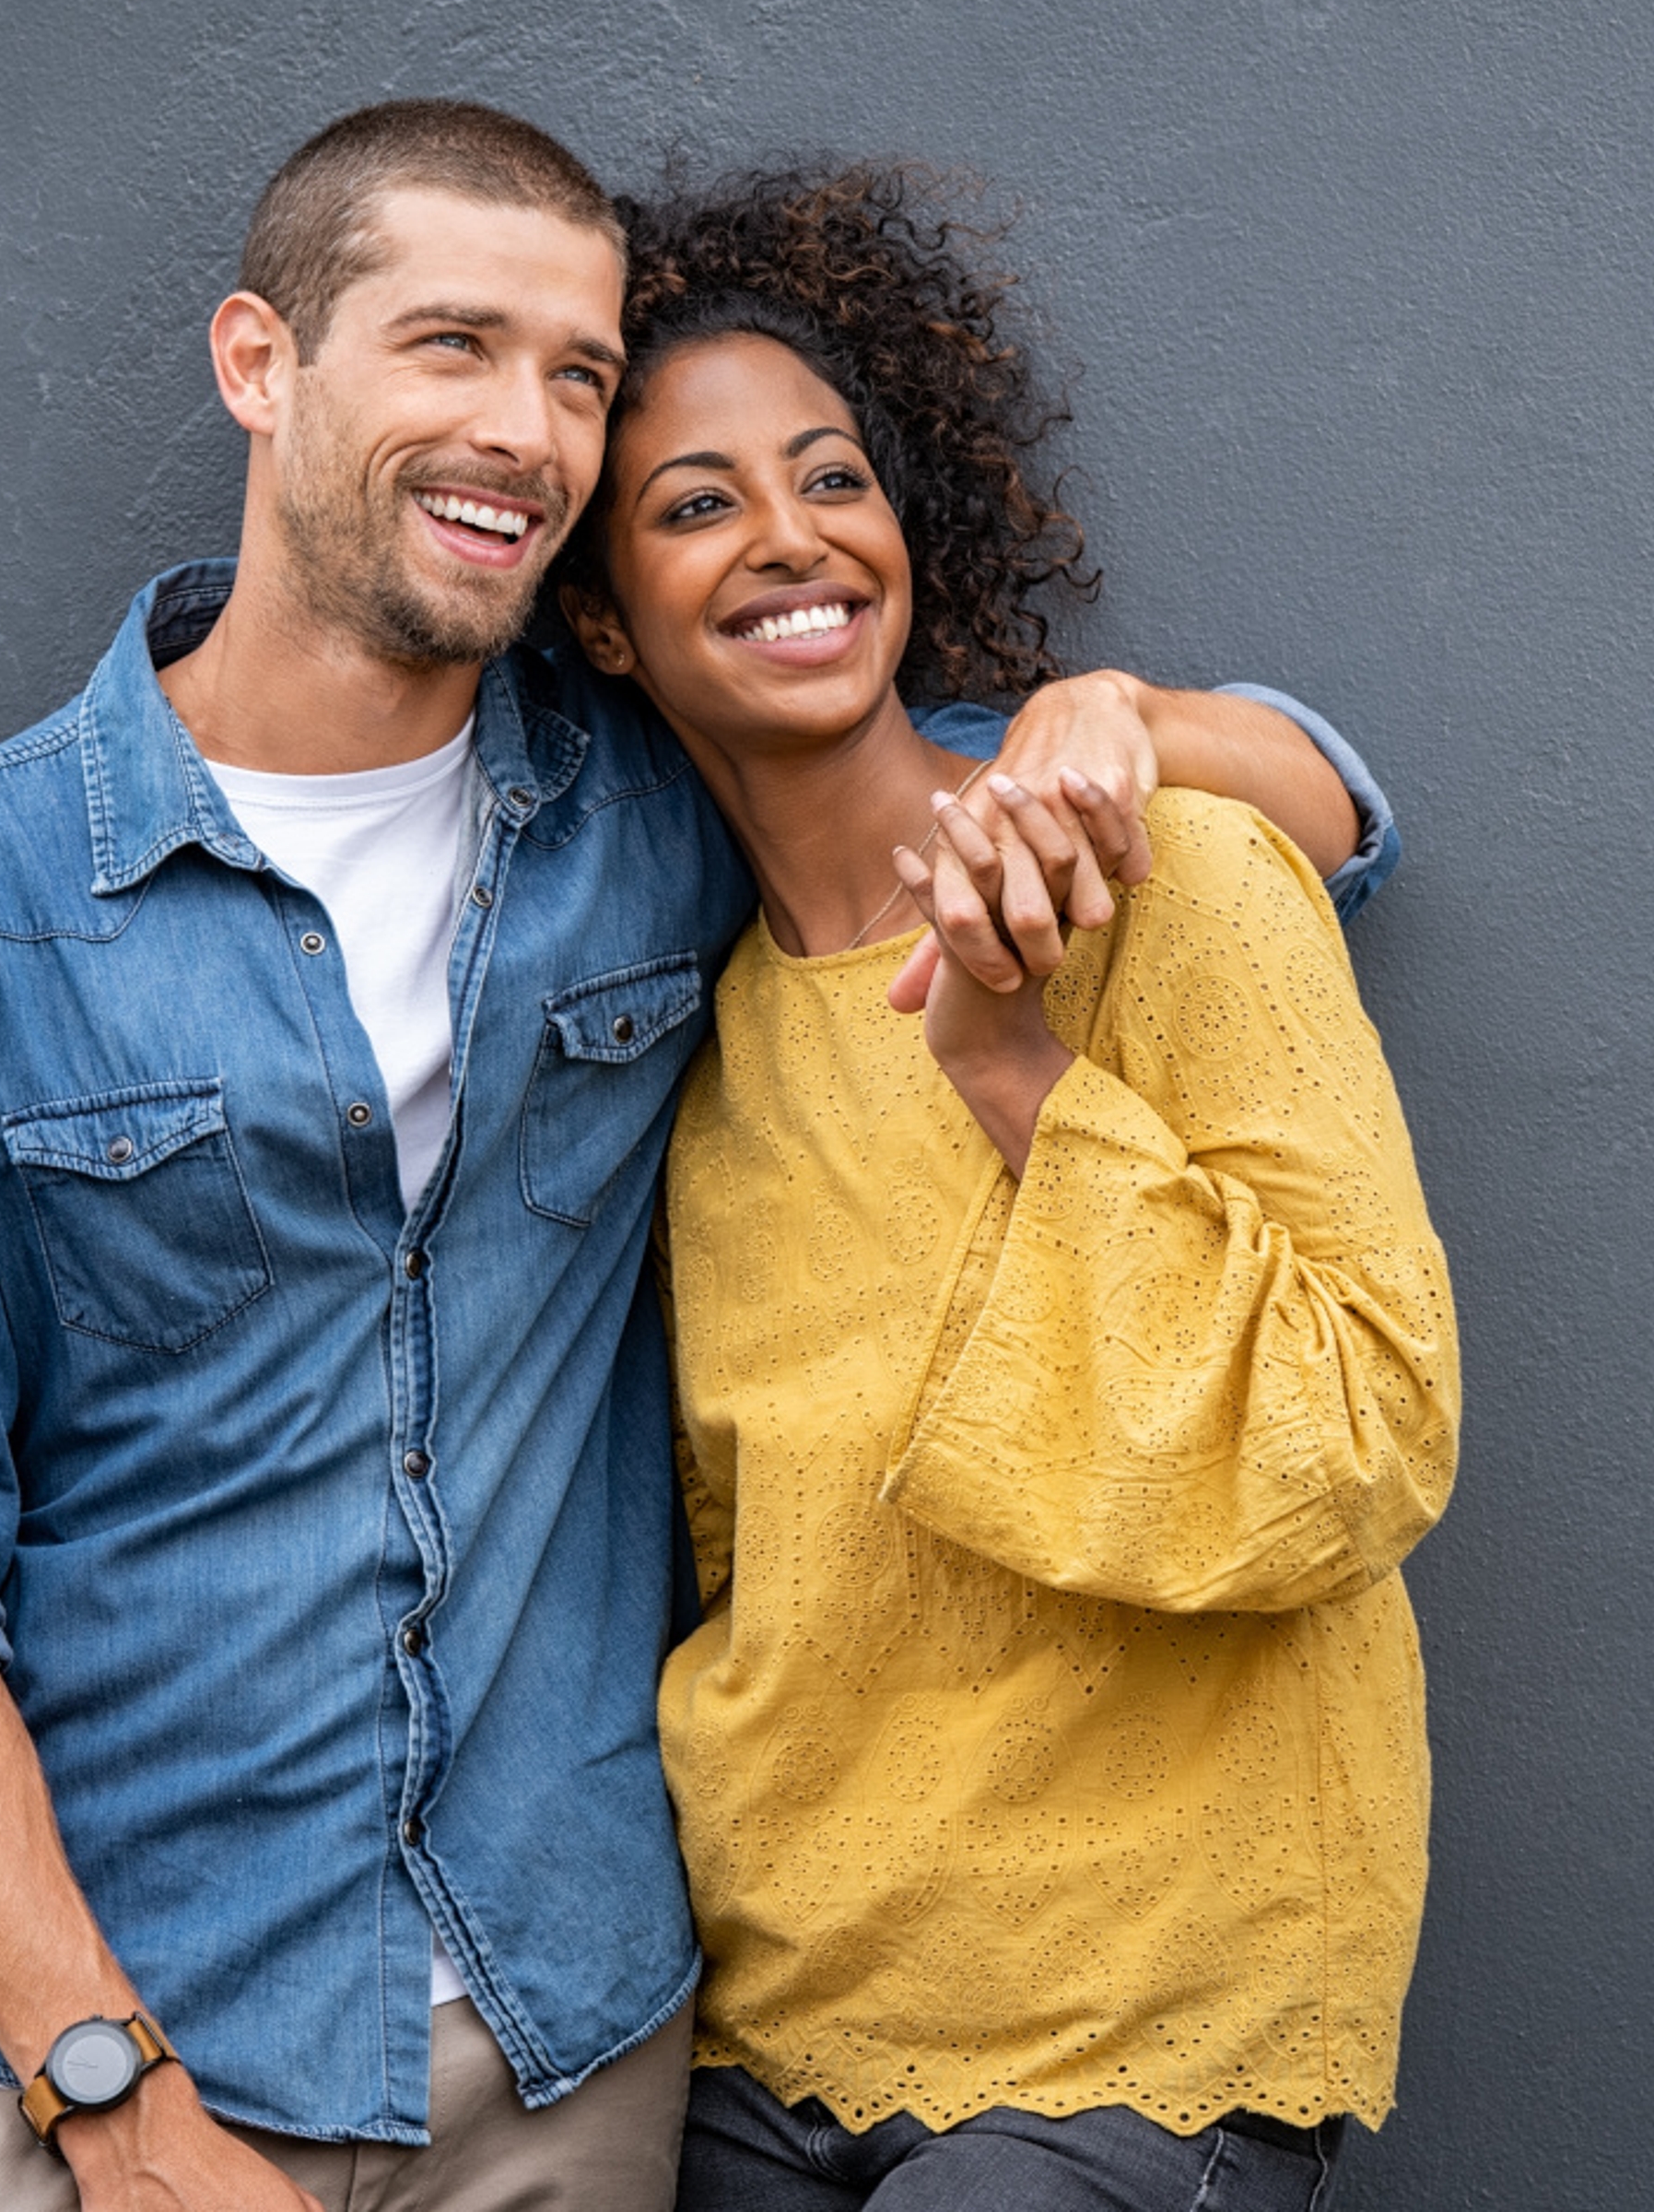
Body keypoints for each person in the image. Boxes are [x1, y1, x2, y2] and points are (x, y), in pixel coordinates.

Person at [0, 100, 1402, 2212]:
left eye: (578, 375)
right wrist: (111, 2098)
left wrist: (1128, 715)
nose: (524, 429)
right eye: (451, 346)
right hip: (121, 2058)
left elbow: (1303, 806)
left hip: (567, 2049)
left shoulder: (660, 812)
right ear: (262, 363)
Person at [554, 170, 1457, 2211]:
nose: (790, 537)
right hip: (776, 2008)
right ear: (601, 615)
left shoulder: (1178, 874)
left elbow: (1369, 1426)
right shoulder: (683, 1047)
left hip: (1133, 2012)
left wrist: (1006, 1064)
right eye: (695, 505)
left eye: (830, 478)